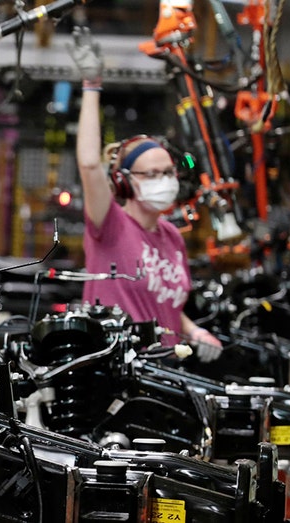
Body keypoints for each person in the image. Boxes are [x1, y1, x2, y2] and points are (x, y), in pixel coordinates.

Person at [69, 27, 223, 362]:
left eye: (168, 173)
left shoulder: (172, 237)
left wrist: (194, 331)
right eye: (152, 174)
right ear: (124, 181)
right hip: (118, 375)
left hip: (164, 372)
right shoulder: (109, 227)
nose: (164, 180)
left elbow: (165, 304)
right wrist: (92, 85)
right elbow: (89, 165)